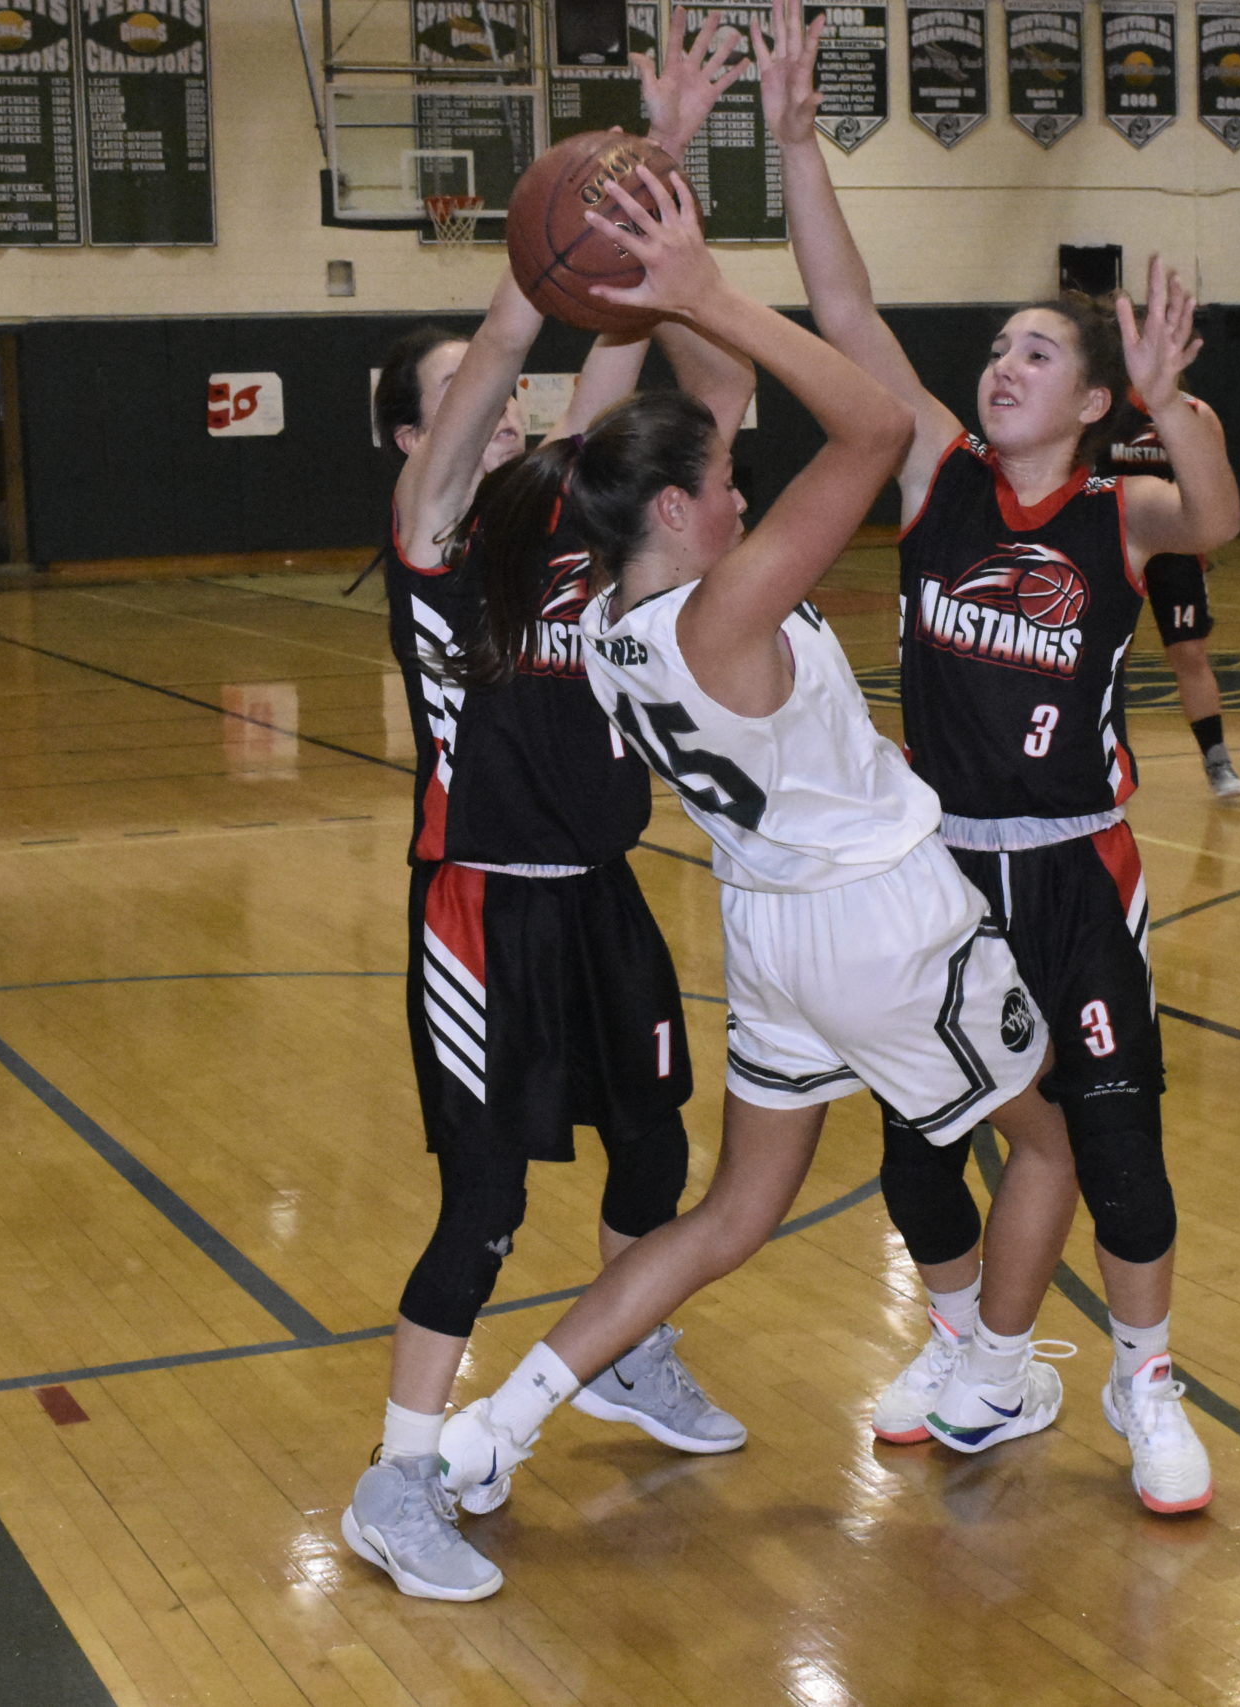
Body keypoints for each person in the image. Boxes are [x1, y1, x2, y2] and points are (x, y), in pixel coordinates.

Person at [428, 163, 1093, 1565]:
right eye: (724, 480)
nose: (740, 491)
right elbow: (879, 420)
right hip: (884, 920)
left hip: (773, 935)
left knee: (734, 1208)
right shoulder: (728, 607)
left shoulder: (607, 616)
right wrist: (707, 292)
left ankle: (497, 1419)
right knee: (1044, 1143)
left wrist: (679, 307)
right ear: (673, 511)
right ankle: (995, 1372)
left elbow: (694, 428)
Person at [759, 0, 1238, 1513]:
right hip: (939, 865)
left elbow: (1216, 515)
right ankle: (971, 1347)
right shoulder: (936, 473)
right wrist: (793, 141)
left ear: (1095, 401)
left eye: (1038, 349)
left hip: (1077, 867)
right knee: (922, 1142)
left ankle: (1145, 1379)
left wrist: (1177, 405)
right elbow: (845, 311)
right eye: (1001, 345)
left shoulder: (1122, 506)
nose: (1005, 360)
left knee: (1116, 1139)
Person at [342, 24, 755, 1604]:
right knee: (488, 1198)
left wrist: (658, 157)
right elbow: (529, 340)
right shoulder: (437, 535)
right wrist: (544, 248)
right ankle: (395, 1480)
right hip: (478, 901)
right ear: (416, 438)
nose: (496, 412)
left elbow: (612, 342)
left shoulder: (575, 525)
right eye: (459, 399)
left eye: (497, 399)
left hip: (600, 885)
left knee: (652, 1150)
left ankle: (631, 1355)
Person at [1103, 404, 1240, 800]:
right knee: (1110, 657)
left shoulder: (1194, 413)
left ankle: (1217, 761)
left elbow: (1213, 489)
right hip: (1113, 543)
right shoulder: (1100, 404)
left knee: (1190, 653)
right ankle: (1103, 756)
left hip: (1175, 546)